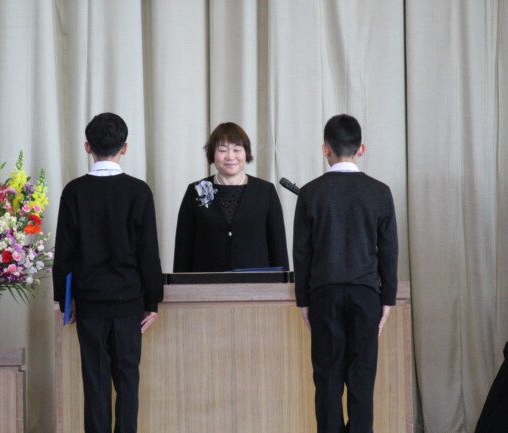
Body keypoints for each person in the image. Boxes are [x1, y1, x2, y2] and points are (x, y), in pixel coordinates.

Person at [53, 112, 164, 433]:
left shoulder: (74, 191)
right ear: (124, 147)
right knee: (127, 378)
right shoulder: (138, 191)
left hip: (89, 302)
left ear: (88, 146)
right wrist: (153, 301)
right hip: (129, 301)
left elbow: (65, 252)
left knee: (95, 379)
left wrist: (65, 301)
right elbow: (148, 252)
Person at [293, 114, 398, 433]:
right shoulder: (380, 192)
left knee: (327, 377)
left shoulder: (311, 193)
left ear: (325, 149)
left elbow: (302, 252)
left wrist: (303, 300)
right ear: (361, 149)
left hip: (323, 293)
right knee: (362, 377)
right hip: (365, 293)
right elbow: (389, 250)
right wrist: (387, 298)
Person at [173, 122, 289, 272]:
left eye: (236, 150)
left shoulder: (265, 191)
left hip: (257, 281)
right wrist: (180, 283)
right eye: (222, 150)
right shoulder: (197, 190)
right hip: (206, 281)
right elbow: (183, 246)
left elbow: (278, 245)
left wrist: (283, 281)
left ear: (246, 153)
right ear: (212, 154)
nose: (230, 156)